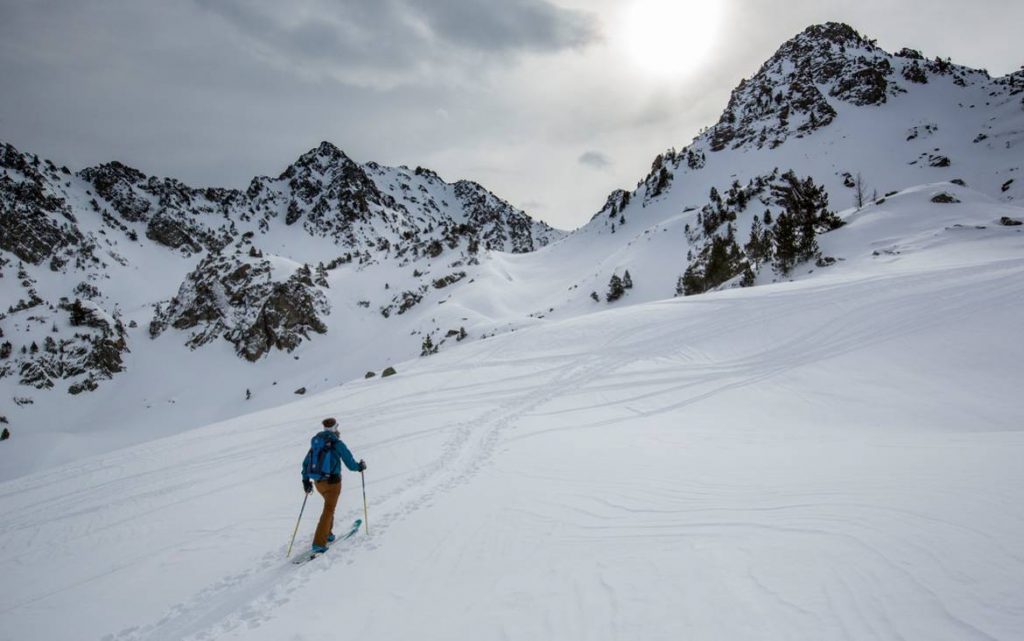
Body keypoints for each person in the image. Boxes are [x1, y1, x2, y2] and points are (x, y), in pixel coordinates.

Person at [301, 417, 366, 553]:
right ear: (335, 428)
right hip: (333, 484)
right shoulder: (337, 443)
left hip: (318, 483)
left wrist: (306, 481)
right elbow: (349, 462)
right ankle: (319, 542)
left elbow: (306, 463)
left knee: (329, 507)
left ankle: (328, 534)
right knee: (328, 509)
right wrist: (359, 467)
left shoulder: (317, 443)